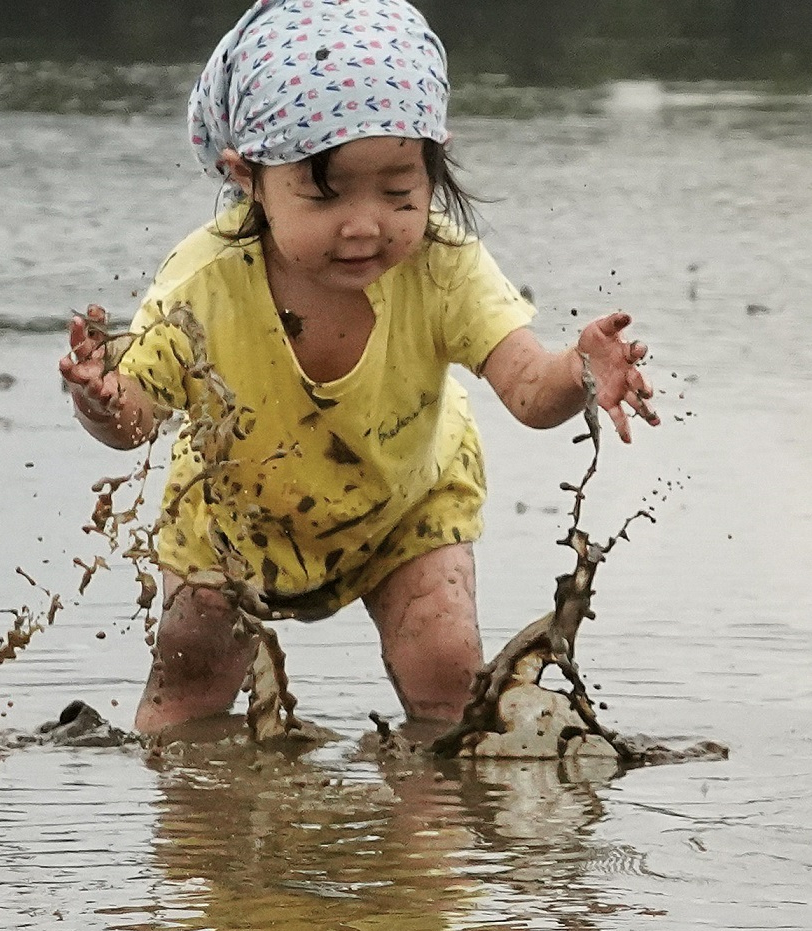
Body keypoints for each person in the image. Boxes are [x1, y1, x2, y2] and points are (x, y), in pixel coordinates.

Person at [59, 0, 659, 735]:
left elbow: (528, 392)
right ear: (248, 178)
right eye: (325, 191)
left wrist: (580, 372)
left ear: (432, 167)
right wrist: (102, 398)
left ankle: (431, 828)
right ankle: (197, 832)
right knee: (188, 683)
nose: (365, 223)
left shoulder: (442, 266)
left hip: (407, 507)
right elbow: (138, 420)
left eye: (398, 191)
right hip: (231, 522)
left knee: (447, 676)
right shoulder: (203, 283)